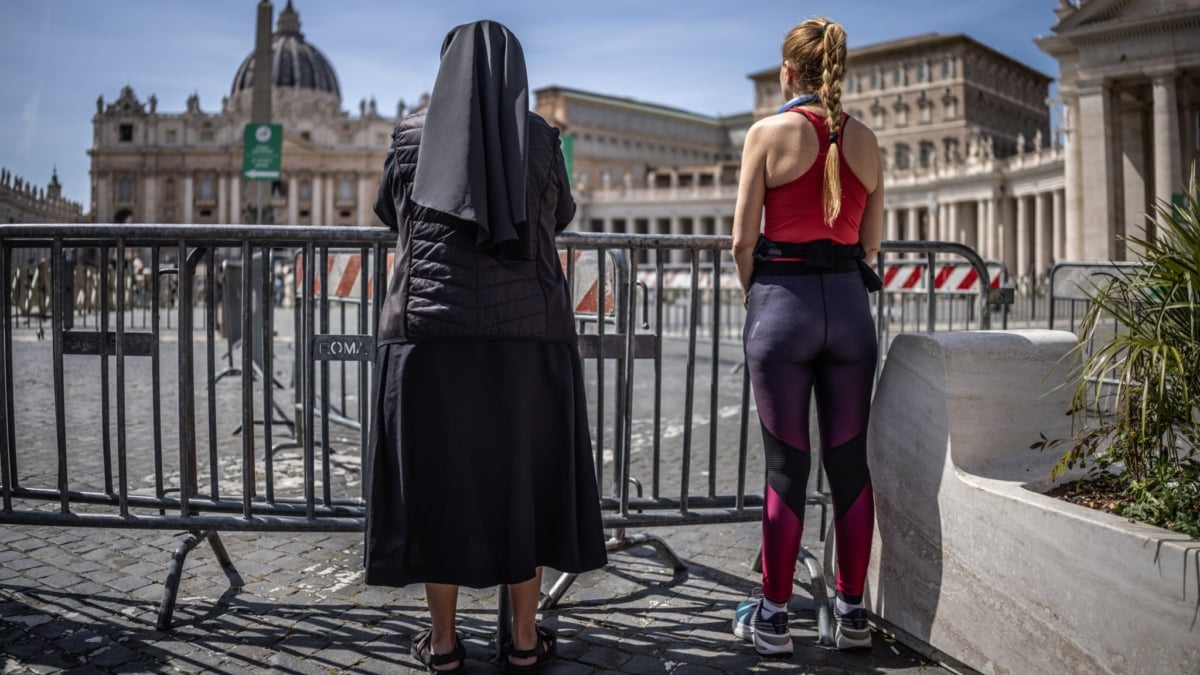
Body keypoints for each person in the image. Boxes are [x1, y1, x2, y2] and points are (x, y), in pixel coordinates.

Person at [363, 20, 608, 675]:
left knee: (436, 486)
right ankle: (524, 640)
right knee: (521, 485)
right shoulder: (541, 139)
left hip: (427, 335)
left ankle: (443, 644)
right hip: (526, 337)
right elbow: (561, 216)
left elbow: (388, 211)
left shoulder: (411, 135)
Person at [729, 17, 884, 655]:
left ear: (788, 72)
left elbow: (741, 240)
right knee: (849, 464)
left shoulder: (767, 133)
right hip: (849, 309)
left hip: (783, 307)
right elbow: (872, 244)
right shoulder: (868, 141)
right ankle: (851, 614)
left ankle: (772, 618)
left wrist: (759, 295)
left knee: (786, 468)